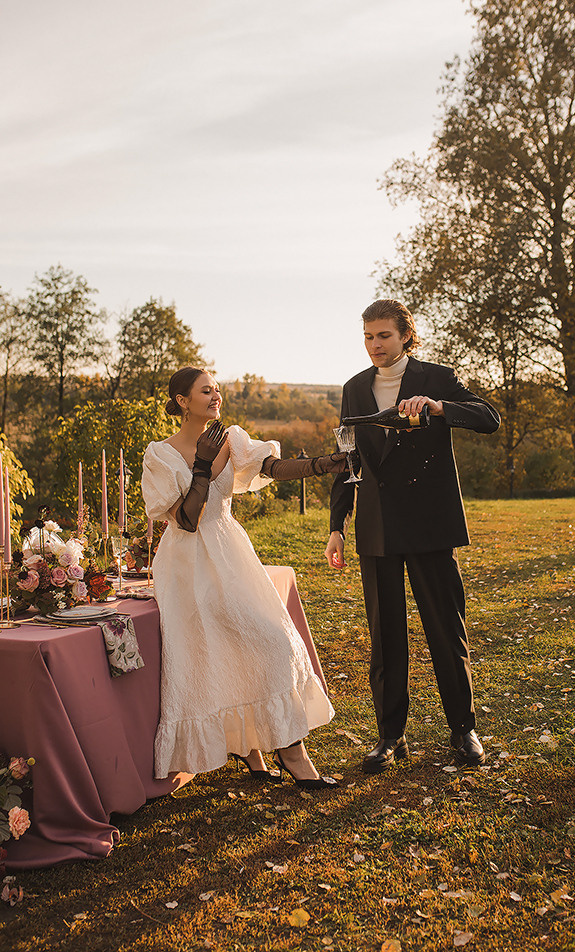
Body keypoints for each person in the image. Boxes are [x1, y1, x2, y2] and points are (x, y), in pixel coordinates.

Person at [142, 366, 346, 789]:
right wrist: (200, 467)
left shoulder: (230, 438)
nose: (216, 397)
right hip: (186, 565)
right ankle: (259, 752)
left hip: (230, 555)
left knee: (270, 641)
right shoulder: (159, 454)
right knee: (212, 654)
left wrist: (323, 464)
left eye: (217, 390)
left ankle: (282, 750)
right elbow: (184, 519)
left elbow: (272, 466)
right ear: (182, 401)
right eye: (205, 391)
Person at [325, 300, 501, 772]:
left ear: (405, 334)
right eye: (367, 336)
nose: (375, 345)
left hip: (429, 523)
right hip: (377, 528)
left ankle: (463, 729)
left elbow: (489, 416)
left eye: (383, 335)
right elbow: (348, 458)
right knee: (386, 635)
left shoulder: (435, 377)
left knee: (446, 629)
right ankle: (389, 736)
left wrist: (440, 408)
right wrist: (336, 526)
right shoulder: (354, 389)